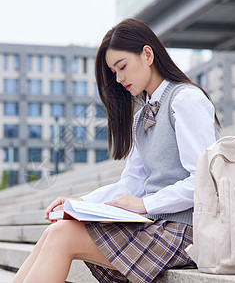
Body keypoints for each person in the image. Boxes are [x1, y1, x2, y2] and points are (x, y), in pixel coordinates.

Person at [13, 18, 219, 283]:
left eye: (122, 67)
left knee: (62, 236)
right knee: (56, 231)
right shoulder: (140, 116)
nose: (119, 78)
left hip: (188, 232)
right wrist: (80, 204)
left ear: (147, 55)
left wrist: (145, 204)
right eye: (114, 72)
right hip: (156, 226)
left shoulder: (186, 99)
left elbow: (203, 182)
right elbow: (132, 182)